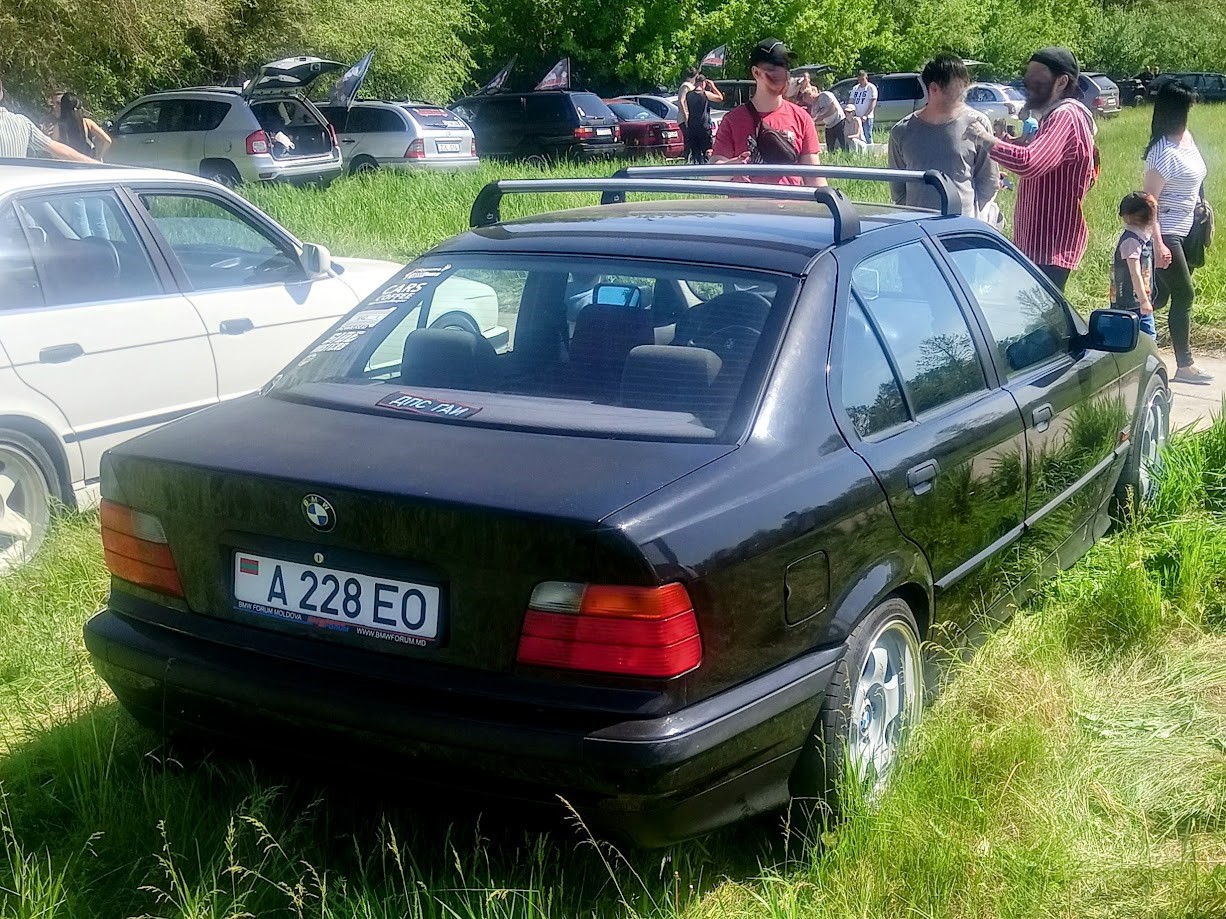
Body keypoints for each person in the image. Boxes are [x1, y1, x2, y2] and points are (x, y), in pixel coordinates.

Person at [966, 47, 1096, 293]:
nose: (1030, 86)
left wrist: (985, 139)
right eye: (1027, 80)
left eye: (1037, 80)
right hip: (1039, 246)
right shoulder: (1053, 117)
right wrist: (1005, 142)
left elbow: (1029, 163)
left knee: (1044, 324)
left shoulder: (1065, 116)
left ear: (1062, 82)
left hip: (1050, 248)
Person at [1144, 80, 1211, 383]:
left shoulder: (1187, 139)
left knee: (1159, 297)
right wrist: (1158, 244)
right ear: (1174, 109)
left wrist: (1203, 206)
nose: (1189, 112)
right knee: (1185, 294)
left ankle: (1122, 329)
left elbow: (1198, 178)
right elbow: (1149, 203)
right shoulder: (1161, 151)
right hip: (1167, 232)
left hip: (1189, 230)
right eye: (1185, 106)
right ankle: (1184, 366)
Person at [887, 54, 998, 219]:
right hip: (920, 232)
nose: (965, 91)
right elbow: (898, 189)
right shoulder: (902, 131)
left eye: (965, 84)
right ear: (934, 89)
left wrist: (972, 220)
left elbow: (989, 181)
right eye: (959, 86)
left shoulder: (977, 125)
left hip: (962, 228)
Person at [710, 37, 824, 187]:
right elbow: (712, 176)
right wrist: (734, 165)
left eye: (786, 67)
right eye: (774, 67)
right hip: (746, 209)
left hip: (789, 208)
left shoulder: (802, 119)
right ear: (756, 72)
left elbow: (816, 181)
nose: (784, 75)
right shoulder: (732, 121)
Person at [0, 78, 93, 162]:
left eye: (59, 103)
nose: (55, 107)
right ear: (1, 94)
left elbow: (58, 149)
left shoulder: (82, 121)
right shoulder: (33, 122)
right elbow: (49, 151)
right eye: (53, 103)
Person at [1110, 192, 1159, 340]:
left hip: (1138, 303)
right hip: (1129, 304)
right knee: (1137, 338)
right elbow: (1134, 272)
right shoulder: (1131, 241)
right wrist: (1144, 300)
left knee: (1146, 337)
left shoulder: (1141, 238)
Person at [49, 91, 111, 160]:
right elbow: (107, 141)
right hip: (88, 164)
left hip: (68, 166)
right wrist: (99, 156)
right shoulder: (88, 123)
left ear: (63, 107)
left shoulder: (58, 127)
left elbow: (53, 153)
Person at [682, 73, 722, 164]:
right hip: (704, 126)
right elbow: (720, 98)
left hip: (692, 127)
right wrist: (713, 86)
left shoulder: (688, 95)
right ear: (703, 83)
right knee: (707, 152)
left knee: (695, 154)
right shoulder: (705, 94)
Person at [809, 84, 846, 152]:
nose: (806, 98)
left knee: (843, 145)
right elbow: (814, 117)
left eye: (808, 94)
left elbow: (833, 109)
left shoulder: (825, 95)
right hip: (829, 126)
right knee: (830, 148)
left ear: (814, 92)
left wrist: (821, 117)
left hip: (839, 121)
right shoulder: (814, 105)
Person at [850, 71, 878, 143]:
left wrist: (866, 115)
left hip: (867, 117)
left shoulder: (871, 88)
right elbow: (851, 101)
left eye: (862, 79)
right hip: (856, 117)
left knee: (867, 135)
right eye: (859, 79)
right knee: (857, 135)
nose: (861, 81)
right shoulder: (855, 88)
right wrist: (851, 113)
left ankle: (870, 151)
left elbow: (873, 102)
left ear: (866, 78)